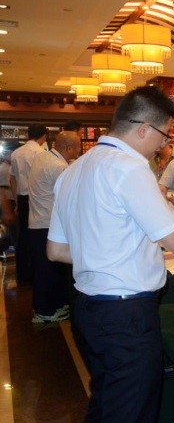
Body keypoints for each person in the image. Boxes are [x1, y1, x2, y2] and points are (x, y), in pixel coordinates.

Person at [46, 86, 174, 422]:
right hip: (125, 316)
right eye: (164, 135)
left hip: (87, 309)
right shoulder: (129, 167)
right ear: (144, 128)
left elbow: (57, 250)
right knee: (131, 410)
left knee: (107, 403)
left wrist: (109, 257)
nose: (163, 145)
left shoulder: (73, 170)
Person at [28, 131, 81, 323]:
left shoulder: (42, 157)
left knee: (44, 269)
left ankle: (49, 307)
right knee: (48, 271)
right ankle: (46, 312)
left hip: (36, 222)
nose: (79, 150)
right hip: (47, 224)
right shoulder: (59, 167)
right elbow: (69, 199)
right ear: (69, 148)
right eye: (78, 146)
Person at [10, 123, 48, 285]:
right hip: (37, 198)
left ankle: (22, 273)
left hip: (22, 198)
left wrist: (16, 202)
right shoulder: (41, 154)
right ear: (44, 137)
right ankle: (35, 273)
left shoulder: (16, 153)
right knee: (37, 234)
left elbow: (12, 179)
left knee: (23, 235)